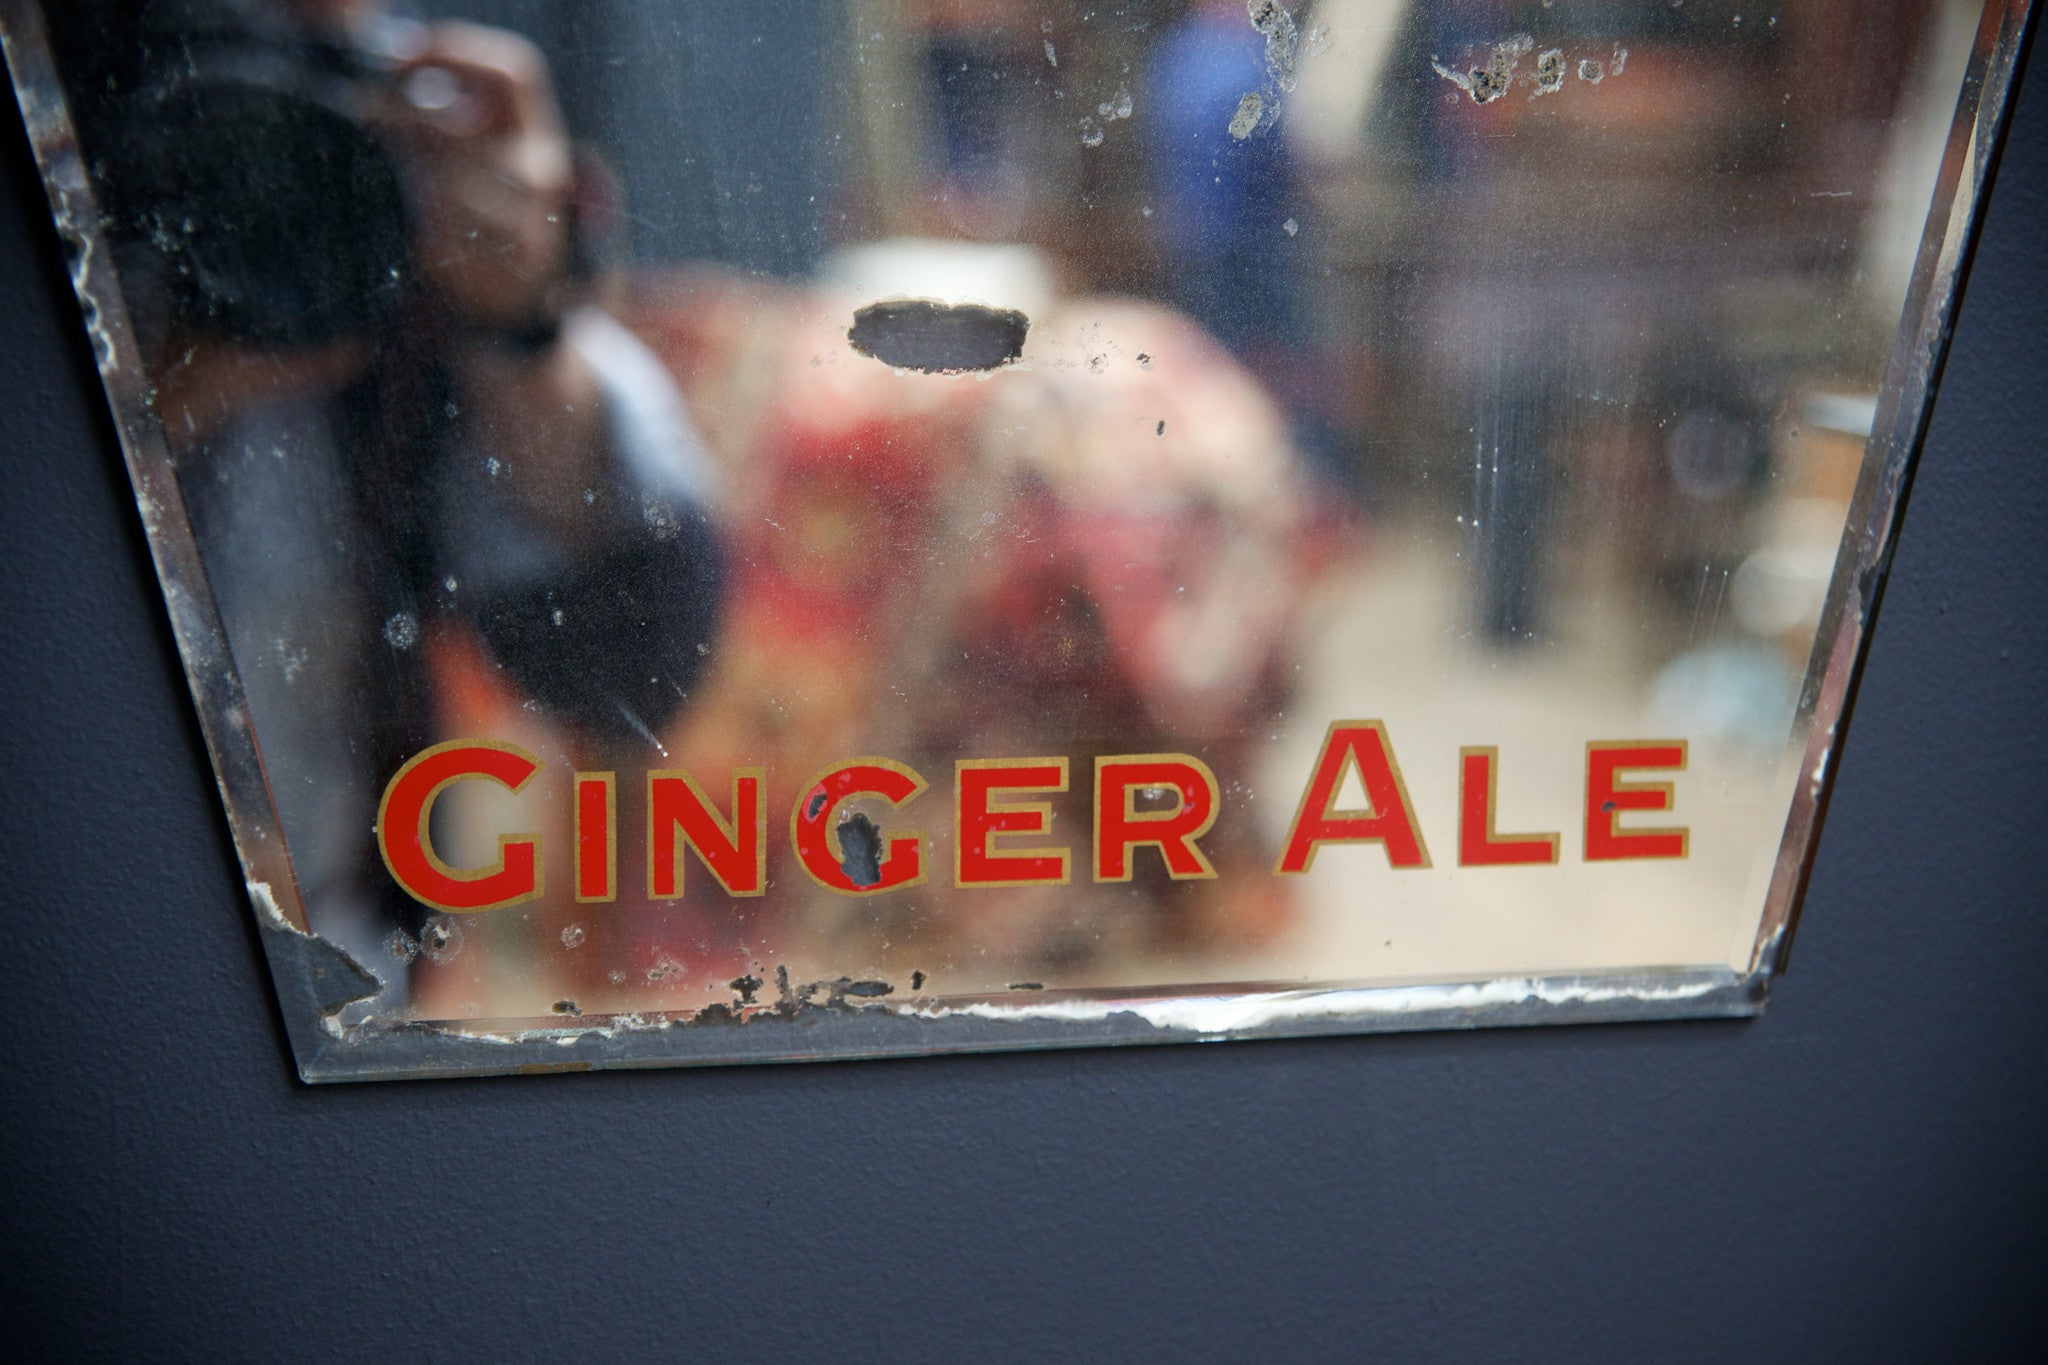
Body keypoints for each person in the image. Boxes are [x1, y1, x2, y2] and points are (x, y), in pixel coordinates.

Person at [52, 0, 723, 1003]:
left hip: (343, 980)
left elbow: (631, 660)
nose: (266, 196)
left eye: (305, 70)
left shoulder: (390, 243)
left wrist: (512, 318)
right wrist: (119, 399)